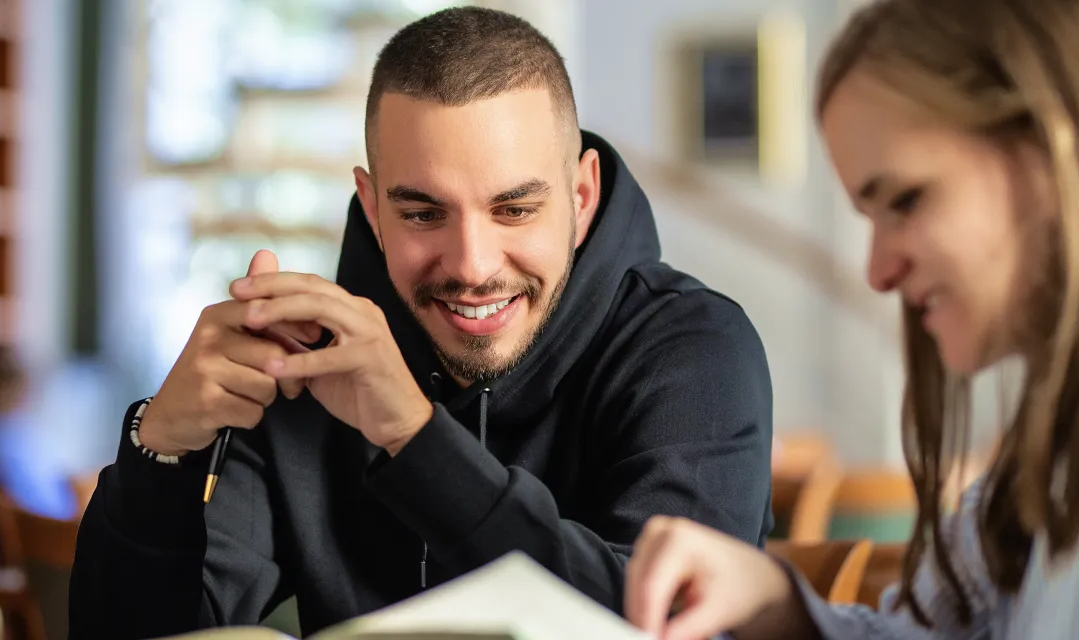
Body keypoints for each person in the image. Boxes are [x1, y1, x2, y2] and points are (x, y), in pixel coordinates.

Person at [624, 0, 1079, 638]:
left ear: (1054, 147)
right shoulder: (1075, 429)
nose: (877, 272)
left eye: (906, 201)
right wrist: (776, 604)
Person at [70, 7, 776, 638]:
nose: (472, 265)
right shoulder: (311, 360)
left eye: (515, 209)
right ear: (373, 209)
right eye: (422, 214)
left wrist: (412, 434)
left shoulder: (695, 351)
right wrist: (161, 450)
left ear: (581, 195)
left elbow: (665, 627)